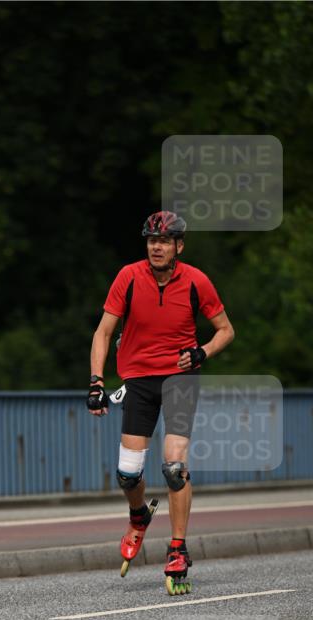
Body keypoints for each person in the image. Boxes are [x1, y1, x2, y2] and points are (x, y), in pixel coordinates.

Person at [86, 210, 235, 593]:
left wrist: (202, 352)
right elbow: (103, 333)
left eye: (165, 241)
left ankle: (178, 548)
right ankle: (139, 516)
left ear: (178, 246)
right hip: (138, 380)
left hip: (180, 379)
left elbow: (226, 331)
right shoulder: (128, 277)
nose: (157, 247)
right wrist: (96, 382)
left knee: (173, 467)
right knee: (128, 474)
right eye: (152, 241)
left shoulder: (197, 281)